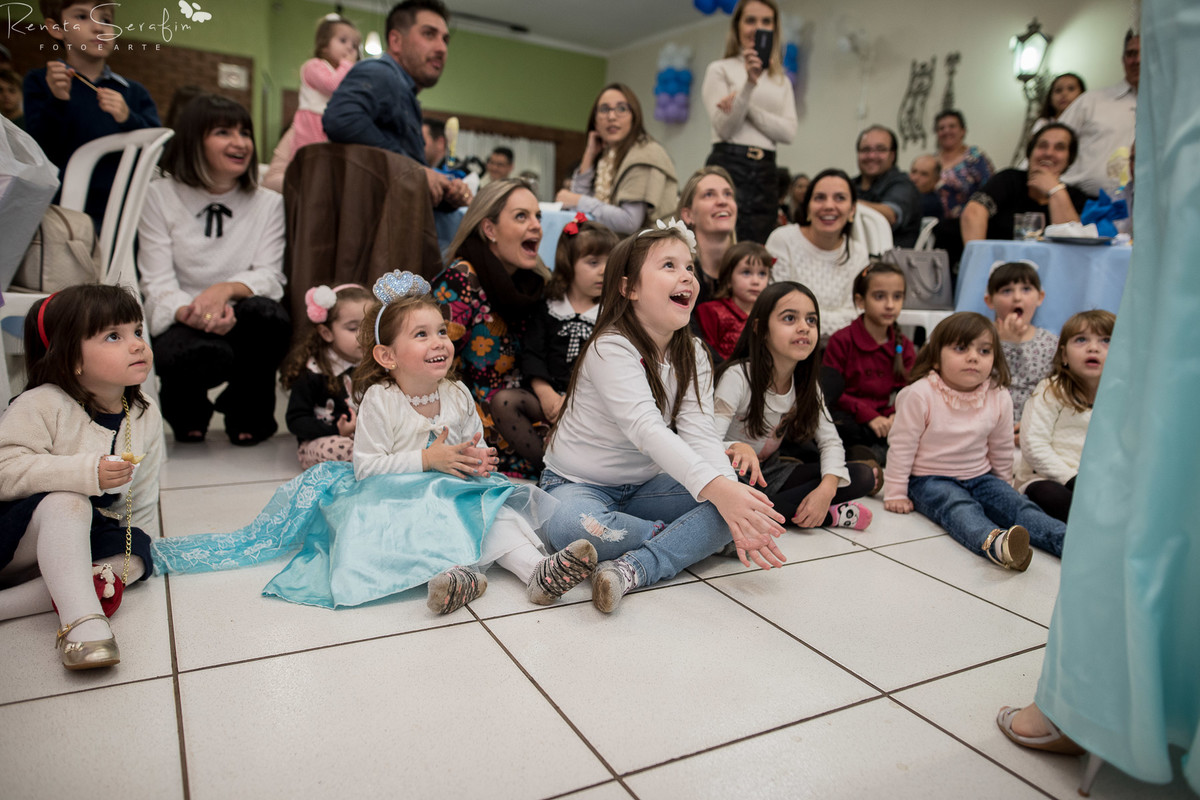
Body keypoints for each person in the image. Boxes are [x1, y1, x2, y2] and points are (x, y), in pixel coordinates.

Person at [152, 272, 598, 613]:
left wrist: (478, 457)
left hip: (455, 484)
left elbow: (469, 439)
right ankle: (458, 577)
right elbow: (366, 467)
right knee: (427, 520)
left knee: (496, 510)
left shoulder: (457, 393)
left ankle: (536, 573)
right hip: (394, 494)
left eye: (441, 331)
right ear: (387, 356)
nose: (438, 342)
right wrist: (426, 459)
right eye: (420, 335)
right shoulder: (380, 401)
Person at [539, 220, 787, 614]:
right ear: (629, 288)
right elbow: (647, 430)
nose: (686, 276)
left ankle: (633, 568)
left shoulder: (694, 353)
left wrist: (726, 490)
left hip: (643, 488)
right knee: (572, 528)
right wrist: (720, 500)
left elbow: (700, 432)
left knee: (738, 493)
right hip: (577, 485)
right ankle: (682, 541)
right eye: (668, 265)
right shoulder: (610, 347)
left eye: (689, 267)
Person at [0, 285, 161, 671]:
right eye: (113, 336)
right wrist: (85, 472)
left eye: (137, 331)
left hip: (79, 534)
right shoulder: (42, 404)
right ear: (72, 358)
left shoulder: (143, 411)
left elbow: (142, 492)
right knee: (67, 501)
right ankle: (83, 623)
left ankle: (12, 604)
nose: (137, 344)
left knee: (134, 556)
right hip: (15, 533)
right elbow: (4, 469)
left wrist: (137, 539)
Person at [138, 94, 291, 445]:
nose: (240, 143)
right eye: (224, 132)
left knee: (270, 317)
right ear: (194, 140)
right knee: (199, 355)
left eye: (245, 133)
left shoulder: (268, 203)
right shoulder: (158, 196)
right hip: (182, 316)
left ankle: (247, 413)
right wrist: (188, 311)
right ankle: (187, 413)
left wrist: (224, 290)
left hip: (240, 314)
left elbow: (270, 274)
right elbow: (157, 280)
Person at [884, 312, 1066, 569]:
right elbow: (902, 446)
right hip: (929, 479)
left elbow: (1001, 447)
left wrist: (1002, 486)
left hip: (980, 476)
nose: (973, 357)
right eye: (960, 348)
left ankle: (1065, 540)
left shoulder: (998, 395)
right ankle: (997, 544)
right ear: (935, 357)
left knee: (1018, 505)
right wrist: (895, 492)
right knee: (959, 508)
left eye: (984, 351)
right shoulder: (919, 394)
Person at [714, 281, 875, 532]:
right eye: (790, 318)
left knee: (864, 476)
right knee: (722, 505)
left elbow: (831, 441)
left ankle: (766, 516)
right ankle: (822, 516)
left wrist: (827, 488)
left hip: (769, 473)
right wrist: (735, 446)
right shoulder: (738, 376)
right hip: (729, 475)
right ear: (760, 328)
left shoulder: (805, 383)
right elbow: (703, 441)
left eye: (811, 320)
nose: (804, 328)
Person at [432, 179, 546, 477]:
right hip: (478, 423)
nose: (536, 226)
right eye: (522, 216)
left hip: (527, 408)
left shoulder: (534, 281)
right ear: (490, 229)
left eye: (538, 216)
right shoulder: (461, 281)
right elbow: (435, 370)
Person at [22, 0, 161, 226]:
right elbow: (39, 151)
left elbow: (158, 148)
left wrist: (128, 118)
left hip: (121, 214)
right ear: (56, 28)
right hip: (58, 212)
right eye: (82, 17)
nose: (98, 27)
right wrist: (57, 100)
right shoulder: (40, 82)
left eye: (106, 20)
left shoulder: (133, 92)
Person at [322, 0, 469, 208]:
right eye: (429, 34)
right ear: (396, 41)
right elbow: (341, 119)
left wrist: (446, 190)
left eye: (445, 40)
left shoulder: (404, 93)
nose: (442, 48)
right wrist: (414, 170)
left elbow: (402, 180)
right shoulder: (381, 73)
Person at [701, 0, 797, 244]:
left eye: (766, 21)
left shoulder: (781, 80)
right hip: (729, 163)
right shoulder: (720, 70)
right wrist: (749, 84)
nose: (758, 27)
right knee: (721, 244)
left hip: (766, 169)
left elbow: (788, 132)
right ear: (737, 26)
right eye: (750, 20)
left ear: (775, 28)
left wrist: (744, 105)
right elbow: (724, 128)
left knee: (756, 250)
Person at [1015, 310, 1113, 522]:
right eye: (1081, 340)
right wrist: (1072, 479)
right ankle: (1092, 526)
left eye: (1106, 340)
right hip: (1048, 478)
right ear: (1064, 355)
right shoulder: (1050, 390)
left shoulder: (1120, 399)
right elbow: (1033, 445)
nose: (1093, 347)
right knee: (1048, 494)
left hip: (1097, 483)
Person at [520, 215, 616, 432]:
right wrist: (546, 394)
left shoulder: (612, 313)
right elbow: (532, 354)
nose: (604, 270)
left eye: (610, 262)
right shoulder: (548, 306)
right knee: (506, 402)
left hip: (594, 404)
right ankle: (544, 462)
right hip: (549, 398)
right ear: (568, 264)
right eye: (593, 262)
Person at [823, 262, 916, 475]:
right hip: (852, 418)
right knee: (835, 424)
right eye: (880, 296)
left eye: (897, 296)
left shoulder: (904, 345)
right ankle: (866, 456)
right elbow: (831, 392)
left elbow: (910, 391)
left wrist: (894, 415)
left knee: (916, 422)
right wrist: (868, 416)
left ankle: (868, 456)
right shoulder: (842, 340)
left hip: (885, 422)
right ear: (860, 300)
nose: (890, 305)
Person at [555, 83, 678, 235]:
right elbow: (576, 209)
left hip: (650, 251)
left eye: (621, 108)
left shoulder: (645, 154)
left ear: (634, 117)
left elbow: (629, 222)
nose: (611, 117)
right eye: (604, 109)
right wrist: (589, 153)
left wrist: (579, 201)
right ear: (595, 121)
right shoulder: (607, 155)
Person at [766, 168, 869, 337]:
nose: (829, 206)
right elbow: (776, 309)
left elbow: (857, 317)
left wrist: (802, 318)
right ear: (807, 208)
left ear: (852, 210)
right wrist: (835, 319)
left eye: (840, 198)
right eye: (820, 198)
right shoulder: (782, 241)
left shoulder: (858, 253)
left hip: (840, 353)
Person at [281, 284, 373, 469]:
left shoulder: (377, 364)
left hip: (367, 438)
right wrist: (336, 430)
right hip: (324, 440)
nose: (364, 335)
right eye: (353, 328)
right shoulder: (313, 373)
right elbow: (296, 420)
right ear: (327, 333)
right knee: (342, 448)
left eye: (370, 326)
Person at [961, 123, 1089, 243]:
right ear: (1030, 152)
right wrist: (979, 259)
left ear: (1069, 159)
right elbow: (973, 213)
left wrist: (1055, 190)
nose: (1049, 153)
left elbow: (1071, 245)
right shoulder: (1009, 180)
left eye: (1059, 148)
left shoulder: (1075, 197)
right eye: (1042, 146)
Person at [1058, 30, 1138, 196]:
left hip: (1141, 208)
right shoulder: (1092, 101)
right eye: (1132, 53)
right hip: (1082, 204)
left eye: (1145, 53)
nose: (1138, 60)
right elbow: (1050, 143)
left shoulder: (1170, 110)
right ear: (1123, 60)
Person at [983, 261, 1057, 426]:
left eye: (1026, 289)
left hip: (1037, 426)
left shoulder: (1050, 343)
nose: (1017, 297)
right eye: (1006, 291)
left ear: (1040, 297)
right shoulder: (980, 340)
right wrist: (1006, 343)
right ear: (989, 301)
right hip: (987, 423)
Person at [291, 14, 360, 152]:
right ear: (324, 45)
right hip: (312, 123)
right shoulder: (313, 66)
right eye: (343, 40)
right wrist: (347, 65)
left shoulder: (342, 71)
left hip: (332, 122)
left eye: (354, 45)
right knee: (313, 160)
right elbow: (332, 86)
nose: (350, 48)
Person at [694, 241, 771, 361]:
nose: (756, 281)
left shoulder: (769, 315)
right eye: (746, 272)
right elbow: (706, 354)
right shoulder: (711, 311)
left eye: (762, 273)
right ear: (729, 279)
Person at [674, 166, 738, 308]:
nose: (722, 201)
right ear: (688, 215)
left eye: (728, 194)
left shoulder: (751, 270)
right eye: (709, 195)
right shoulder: (679, 276)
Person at [852, 125, 922, 248]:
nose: (872, 156)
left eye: (880, 150)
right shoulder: (849, 185)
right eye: (865, 150)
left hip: (889, 263)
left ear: (892, 155)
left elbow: (889, 216)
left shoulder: (903, 185)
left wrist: (846, 204)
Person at [934, 110, 995, 222]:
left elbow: (990, 189)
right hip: (935, 224)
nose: (946, 131)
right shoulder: (932, 160)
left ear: (963, 131)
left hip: (966, 223)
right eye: (941, 128)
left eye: (952, 126)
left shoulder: (975, 157)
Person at [908, 154, 943, 221]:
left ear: (936, 180)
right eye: (914, 171)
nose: (915, 178)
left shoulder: (932, 205)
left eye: (924, 174)